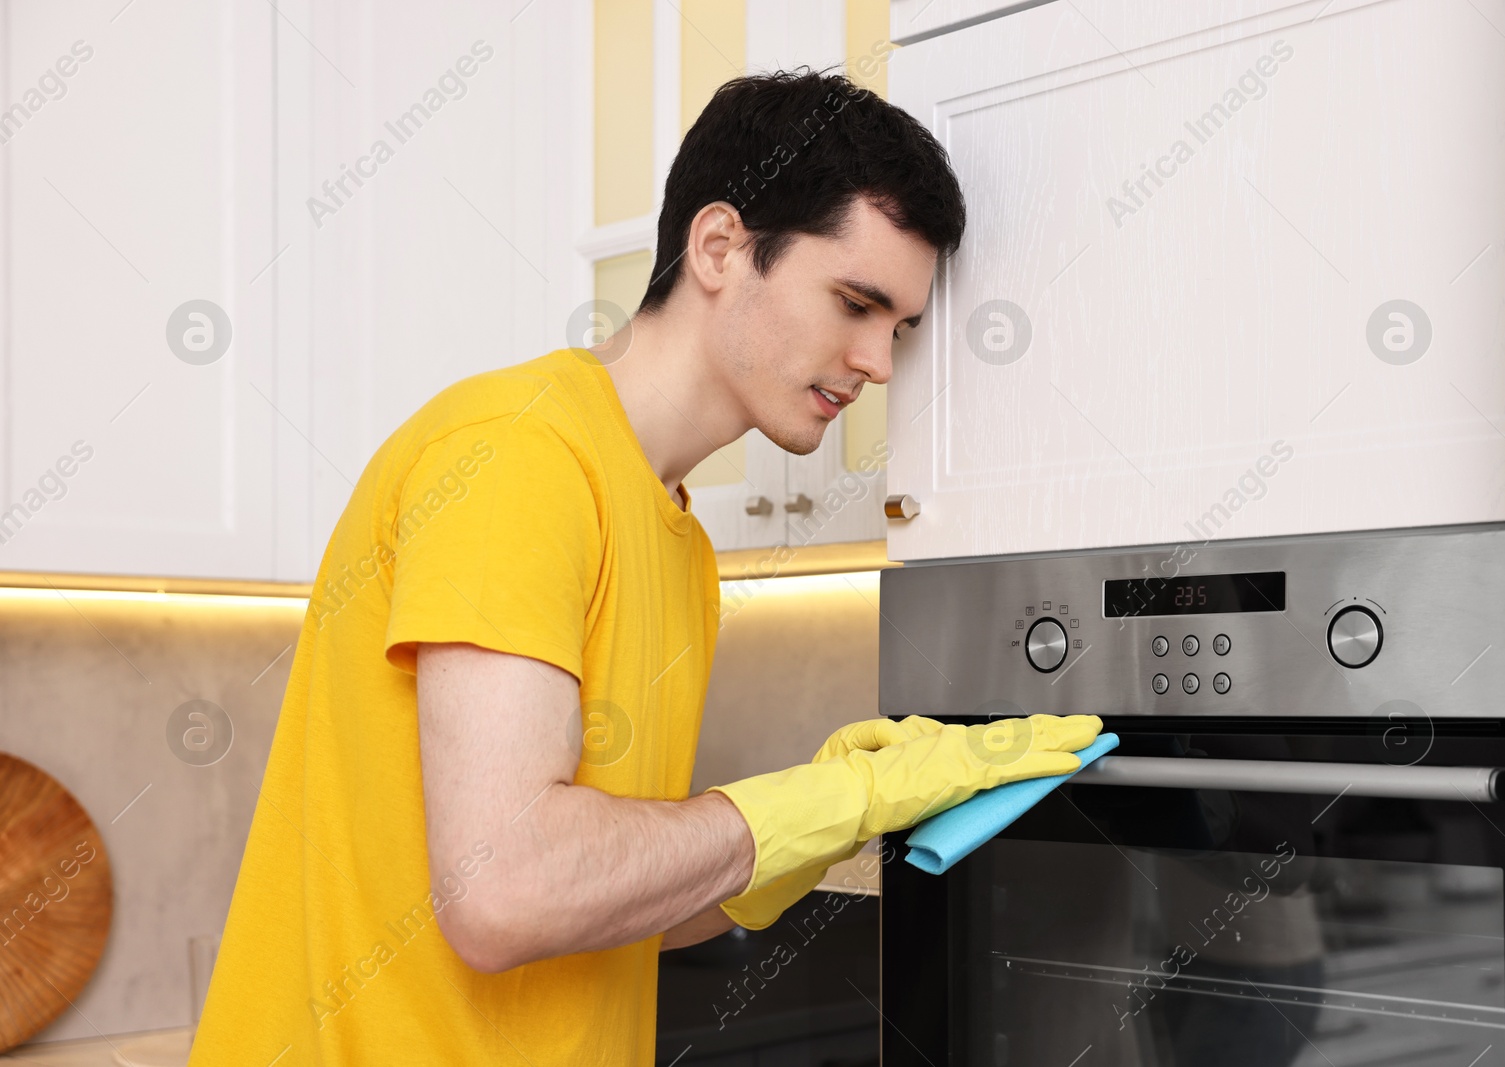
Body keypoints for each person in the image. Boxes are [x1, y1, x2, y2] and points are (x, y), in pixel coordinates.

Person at [191, 68, 1101, 1064]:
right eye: (854, 302)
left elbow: (623, 903)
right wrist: (837, 799)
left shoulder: (677, 543)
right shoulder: (517, 456)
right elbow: (506, 891)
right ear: (719, 247)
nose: (880, 362)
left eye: (900, 328)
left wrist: (834, 815)